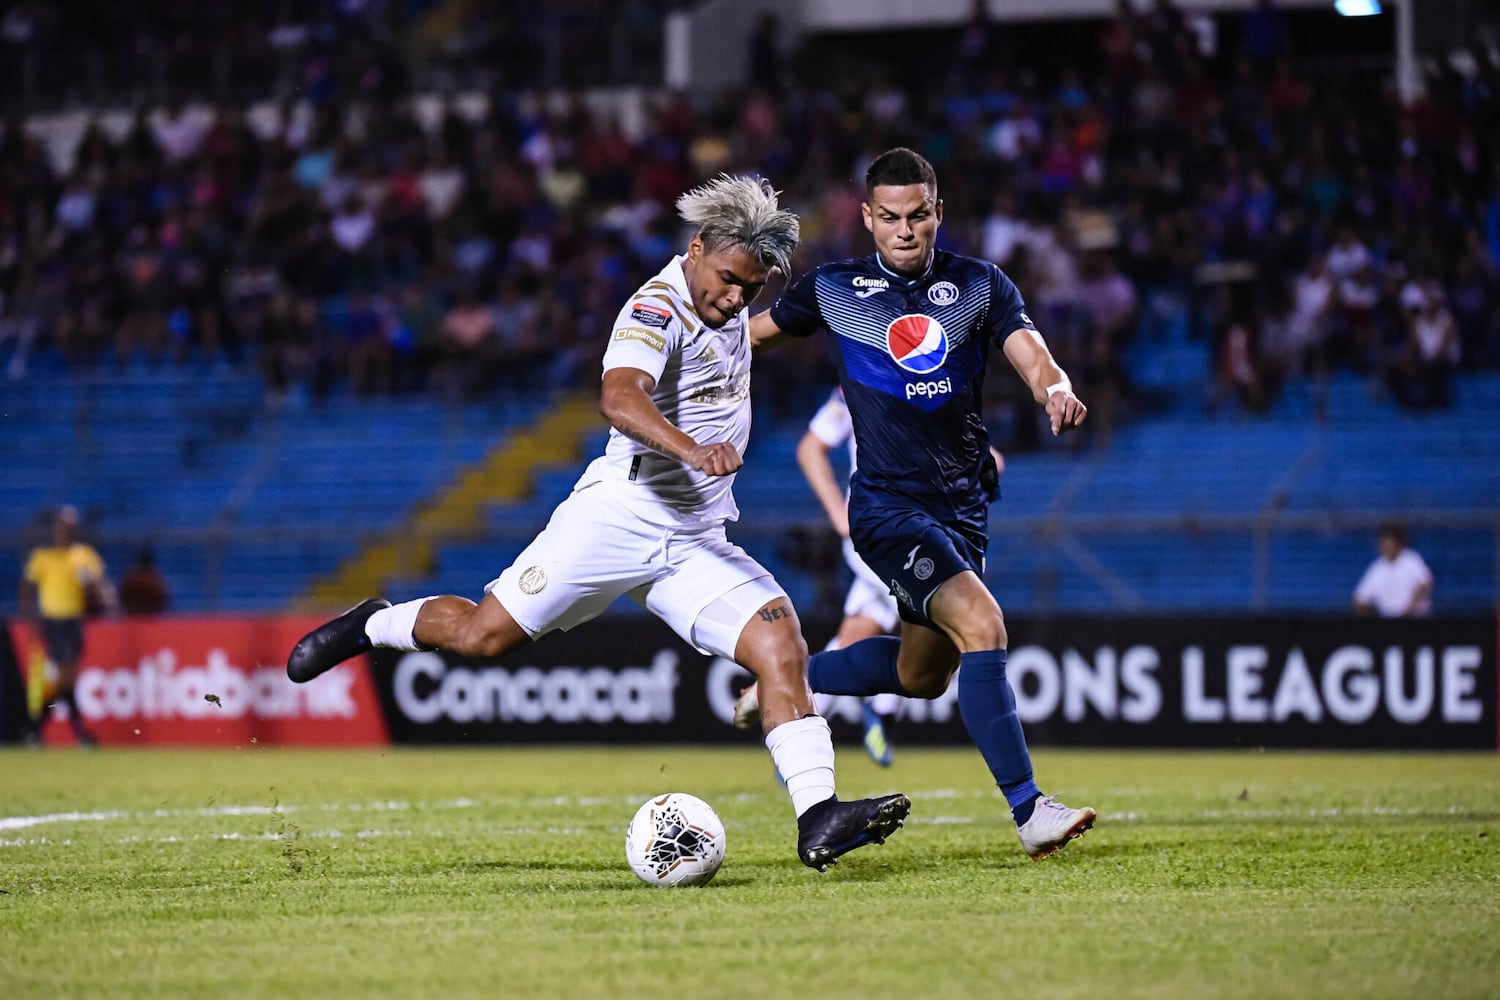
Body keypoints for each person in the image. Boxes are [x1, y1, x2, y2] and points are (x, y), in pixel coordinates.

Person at [287, 175, 909, 872]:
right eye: (731, 281)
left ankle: (819, 817)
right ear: (696, 250)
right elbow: (619, 397)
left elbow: (749, 336)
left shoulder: (730, 303)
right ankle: (372, 624)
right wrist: (691, 449)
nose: (738, 298)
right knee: (482, 637)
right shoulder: (655, 307)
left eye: (752, 288)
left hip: (694, 540)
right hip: (619, 517)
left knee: (780, 642)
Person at [745, 147, 1097, 861]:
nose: (905, 230)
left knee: (922, 675)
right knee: (983, 626)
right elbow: (747, 338)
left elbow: (1030, 350)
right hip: (887, 509)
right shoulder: (832, 289)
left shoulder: (979, 284)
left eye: (918, 215)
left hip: (963, 509)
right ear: (868, 218)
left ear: (939, 212)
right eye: (891, 217)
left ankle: (784, 679)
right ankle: (1030, 810)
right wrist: (674, 360)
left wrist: (1055, 388)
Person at [737, 387, 999, 768]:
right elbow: (811, 448)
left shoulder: (932, 378)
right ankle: (881, 709)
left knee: (858, 634)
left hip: (919, 531)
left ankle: (796, 729)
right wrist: (837, 514)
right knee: (942, 622)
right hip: (888, 529)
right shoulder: (861, 381)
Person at [18, 505, 116, 745]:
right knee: (65, 678)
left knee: (66, 680)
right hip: (53, 622)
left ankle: (33, 729)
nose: (65, 531)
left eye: (69, 527)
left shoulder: (83, 556)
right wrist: (31, 621)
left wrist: (95, 588)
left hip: (74, 622)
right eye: (62, 526)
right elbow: (27, 590)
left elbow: (100, 587)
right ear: (55, 529)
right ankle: (80, 734)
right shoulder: (43, 557)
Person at [1353, 522, 1433, 617]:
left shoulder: (1411, 559)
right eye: (1382, 543)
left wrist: (1409, 609)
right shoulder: (1377, 567)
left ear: (1398, 543)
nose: (1385, 547)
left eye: (1388, 542)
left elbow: (1425, 584)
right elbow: (1361, 598)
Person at [118, 546, 170, 616]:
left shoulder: (129, 578)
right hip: (146, 616)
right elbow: (163, 601)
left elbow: (121, 597)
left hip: (134, 616)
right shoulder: (155, 581)